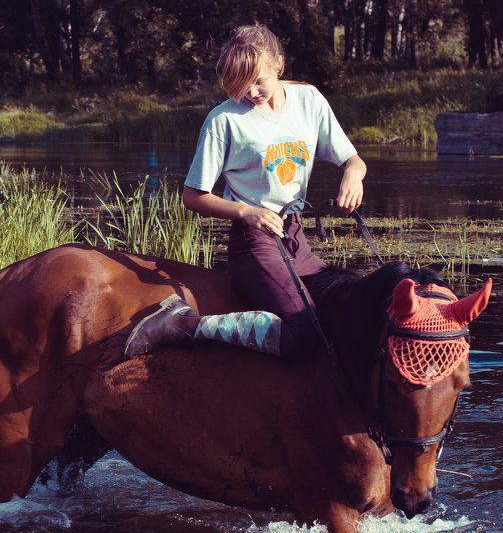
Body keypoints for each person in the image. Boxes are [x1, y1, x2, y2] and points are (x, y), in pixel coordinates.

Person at [125, 24, 366, 358]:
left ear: (278, 64)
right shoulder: (223, 120)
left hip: (297, 240)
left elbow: (353, 161)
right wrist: (247, 212)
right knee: (305, 332)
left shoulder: (309, 100)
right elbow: (193, 196)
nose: (251, 92)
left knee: (348, 308)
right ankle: (181, 324)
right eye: (241, 82)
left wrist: (353, 175)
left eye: (259, 80)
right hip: (253, 245)